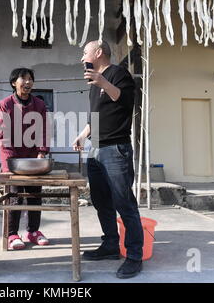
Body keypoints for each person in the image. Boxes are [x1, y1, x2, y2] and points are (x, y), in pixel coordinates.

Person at [73, 40, 144, 279]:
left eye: (85, 53)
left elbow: (124, 100)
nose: (82, 58)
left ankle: (134, 256)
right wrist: (83, 136)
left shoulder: (118, 73)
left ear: (99, 52)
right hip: (96, 148)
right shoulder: (93, 83)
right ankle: (111, 245)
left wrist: (103, 82)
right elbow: (95, 118)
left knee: (123, 202)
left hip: (116, 148)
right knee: (101, 200)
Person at [0, 68, 50, 250]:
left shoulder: (39, 105)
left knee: (35, 195)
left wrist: (42, 152)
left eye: (30, 79)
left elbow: (43, 130)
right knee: (15, 197)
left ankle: (33, 232)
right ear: (14, 83)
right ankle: (12, 234)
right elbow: (3, 134)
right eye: (23, 79)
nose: (27, 82)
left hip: (34, 159)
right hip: (13, 160)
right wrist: (10, 162)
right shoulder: (5, 104)